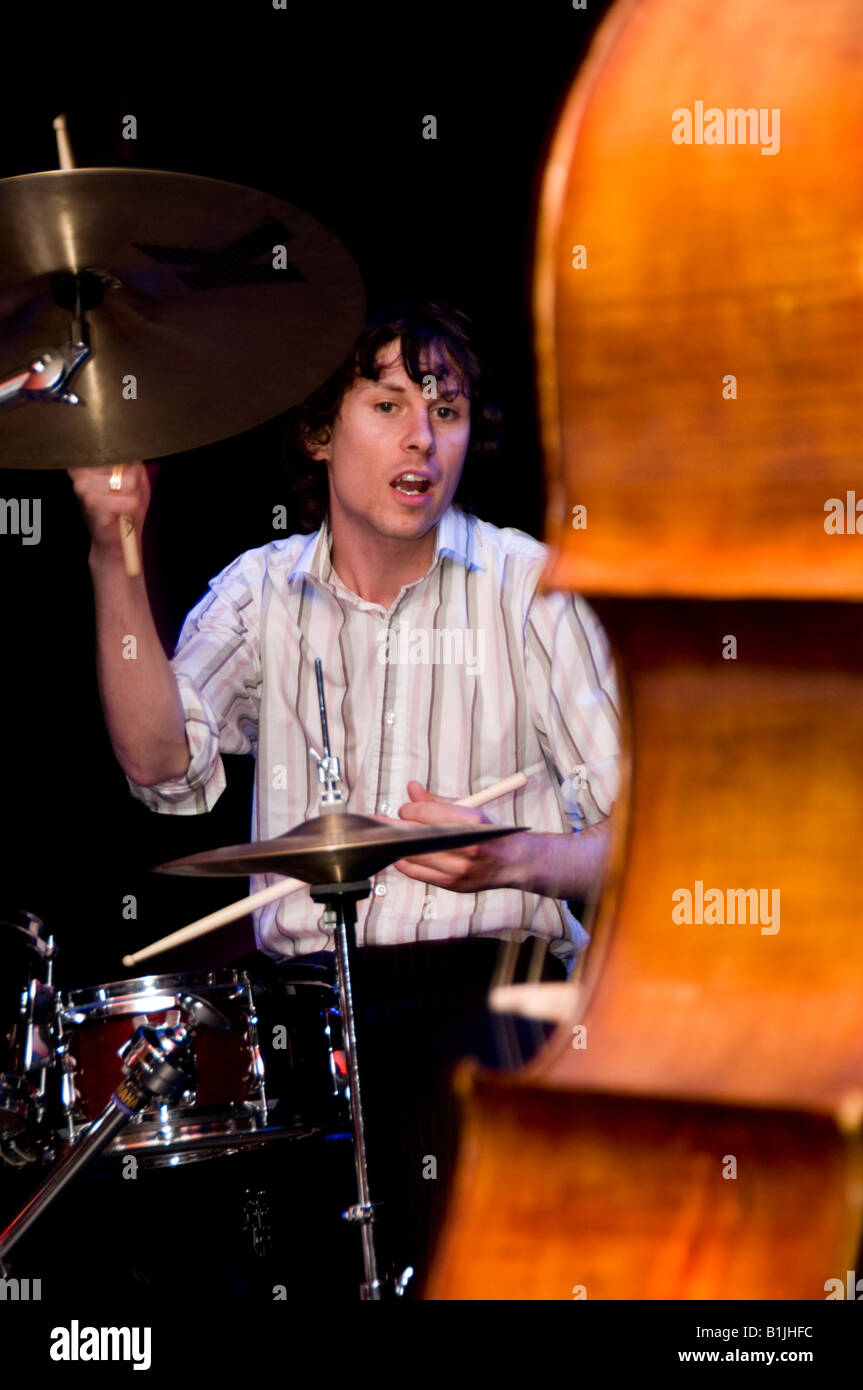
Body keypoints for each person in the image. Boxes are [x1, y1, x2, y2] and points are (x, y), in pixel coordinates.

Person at [69, 300, 620, 1298]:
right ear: (321, 432)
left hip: (496, 1011)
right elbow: (162, 768)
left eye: (445, 409)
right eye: (388, 402)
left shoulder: (529, 588)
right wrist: (118, 548)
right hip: (316, 1025)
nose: (422, 435)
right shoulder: (258, 593)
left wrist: (526, 859)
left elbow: (652, 842)